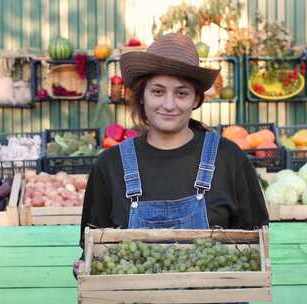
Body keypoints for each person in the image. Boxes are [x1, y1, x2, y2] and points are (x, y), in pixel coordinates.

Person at [75, 33, 269, 278]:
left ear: (196, 99)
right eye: (158, 91)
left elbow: (255, 247)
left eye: (181, 93)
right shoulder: (109, 166)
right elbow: (92, 251)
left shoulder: (228, 159)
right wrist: (83, 268)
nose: (169, 105)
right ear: (141, 95)